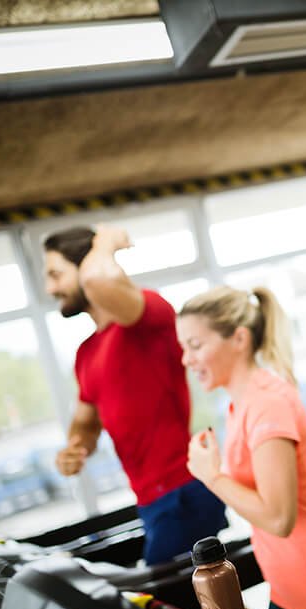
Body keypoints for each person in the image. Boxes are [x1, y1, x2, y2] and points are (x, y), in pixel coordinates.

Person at [177, 285, 306, 609]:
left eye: (196, 345)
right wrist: (293, 476)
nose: (187, 359)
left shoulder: (265, 403)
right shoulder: (245, 401)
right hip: (291, 585)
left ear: (239, 340)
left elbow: (278, 519)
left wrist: (212, 475)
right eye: (184, 348)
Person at [44, 225, 228, 565]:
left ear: (86, 266)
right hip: (150, 500)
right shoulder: (86, 353)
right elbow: (85, 423)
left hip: (183, 491)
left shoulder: (147, 317)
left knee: (165, 606)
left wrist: (104, 242)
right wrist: (76, 446)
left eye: (56, 274)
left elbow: (100, 281)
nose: (50, 288)